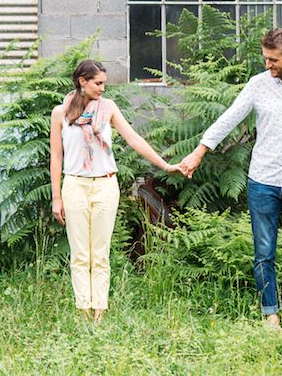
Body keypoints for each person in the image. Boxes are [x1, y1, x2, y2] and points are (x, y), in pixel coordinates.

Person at [178, 28, 282, 328]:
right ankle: (270, 314)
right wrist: (199, 152)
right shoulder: (258, 85)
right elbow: (229, 118)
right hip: (263, 180)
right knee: (263, 252)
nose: (267, 65)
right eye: (265, 58)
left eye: (273, 60)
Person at [50, 59, 184, 321]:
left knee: (100, 253)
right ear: (82, 82)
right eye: (98, 83)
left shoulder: (108, 108)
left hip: (105, 185)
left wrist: (165, 165)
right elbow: (56, 156)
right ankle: (82, 310)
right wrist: (57, 197)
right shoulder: (60, 113)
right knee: (80, 254)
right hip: (75, 185)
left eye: (103, 84)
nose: (102, 88)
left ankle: (99, 310)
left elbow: (134, 139)